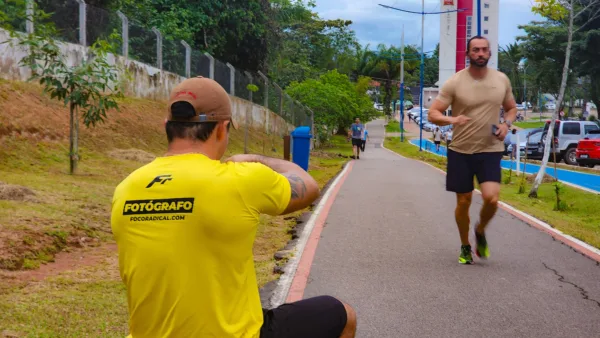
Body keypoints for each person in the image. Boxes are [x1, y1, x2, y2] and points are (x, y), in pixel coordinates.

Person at [111, 76, 357, 338]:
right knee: (342, 314)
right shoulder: (240, 179)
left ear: (166, 126)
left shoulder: (126, 188)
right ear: (221, 128)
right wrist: (254, 158)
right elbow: (307, 185)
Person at [428, 36, 517, 265]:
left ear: (489, 53)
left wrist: (506, 124)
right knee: (464, 201)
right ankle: (465, 245)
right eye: (475, 50)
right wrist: (453, 119)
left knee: (492, 198)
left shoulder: (501, 80)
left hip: (490, 149)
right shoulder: (455, 82)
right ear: (468, 54)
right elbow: (433, 113)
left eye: (484, 50)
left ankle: (480, 230)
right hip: (460, 151)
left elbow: (511, 108)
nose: (480, 53)